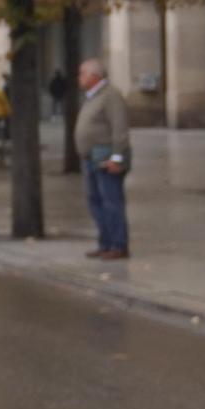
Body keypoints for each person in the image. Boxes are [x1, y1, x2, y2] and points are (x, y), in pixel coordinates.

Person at [74, 59, 130, 259]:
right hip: (90, 158)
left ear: (95, 76)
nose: (79, 77)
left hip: (106, 158)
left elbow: (120, 129)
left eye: (82, 73)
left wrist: (117, 158)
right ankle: (105, 242)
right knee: (96, 202)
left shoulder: (110, 96)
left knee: (111, 201)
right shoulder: (92, 96)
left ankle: (118, 244)